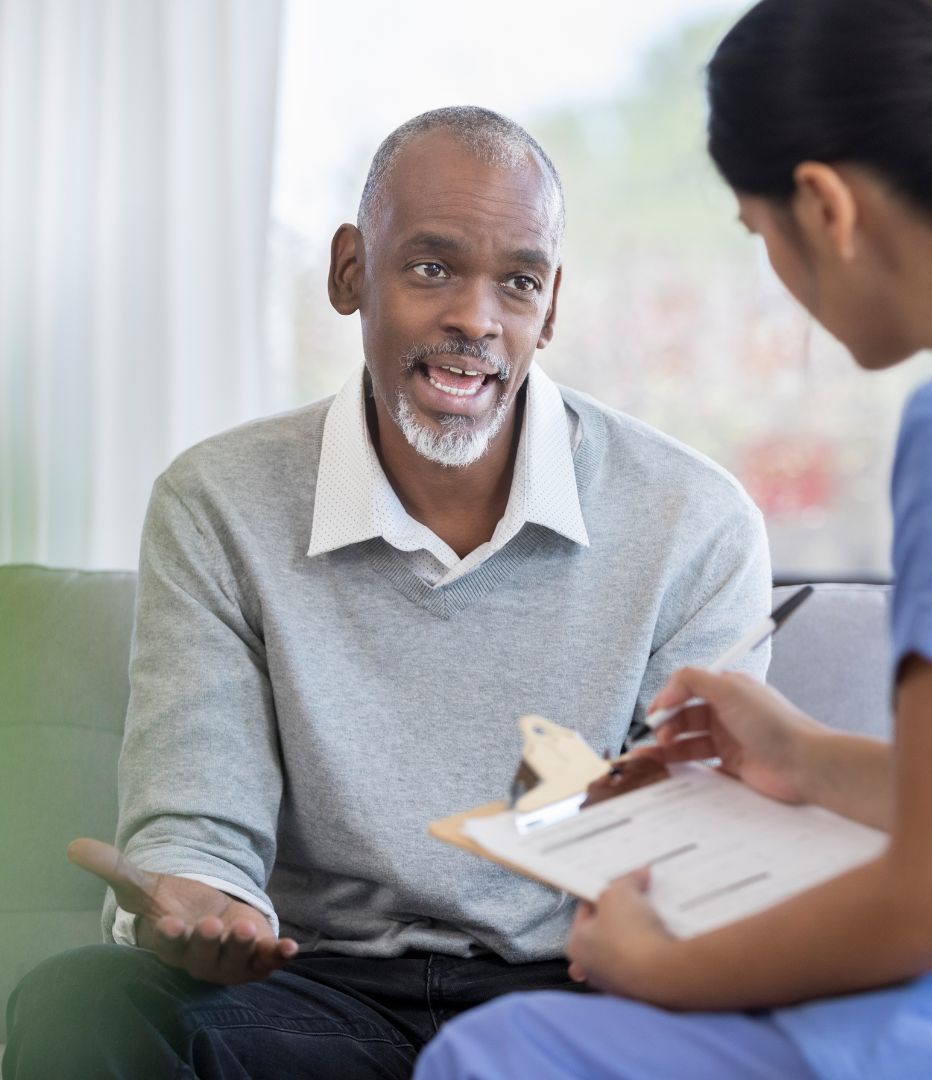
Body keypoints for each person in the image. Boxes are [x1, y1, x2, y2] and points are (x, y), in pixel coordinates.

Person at [2, 107, 771, 1078]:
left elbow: (687, 845)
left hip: (566, 994)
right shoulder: (219, 503)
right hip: (314, 990)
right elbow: (199, 812)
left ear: (553, 305)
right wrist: (204, 902)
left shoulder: (693, 520)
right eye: (432, 267)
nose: (475, 320)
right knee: (83, 1004)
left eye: (518, 282)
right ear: (348, 272)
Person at [413, 2, 932, 1077]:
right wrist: (804, 758)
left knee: (497, 1053)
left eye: (758, 235)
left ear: (824, 206)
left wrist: (668, 964)